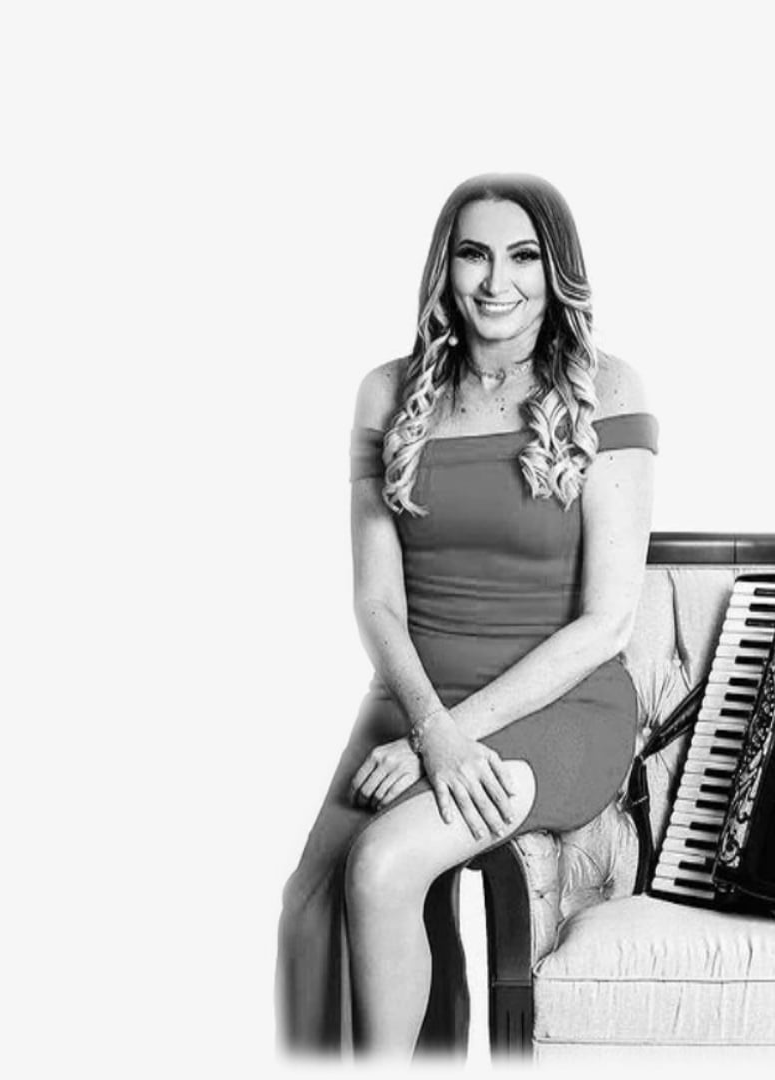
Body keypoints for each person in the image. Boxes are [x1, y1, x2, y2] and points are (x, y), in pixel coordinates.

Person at [276, 173, 656, 1060]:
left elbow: (606, 622)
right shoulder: (386, 392)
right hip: (416, 696)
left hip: (560, 707)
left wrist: (441, 743)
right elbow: (376, 599)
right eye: (474, 254)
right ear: (443, 267)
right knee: (308, 903)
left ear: (557, 271)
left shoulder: (608, 388)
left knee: (382, 865)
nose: (496, 281)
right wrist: (425, 725)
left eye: (523, 256)